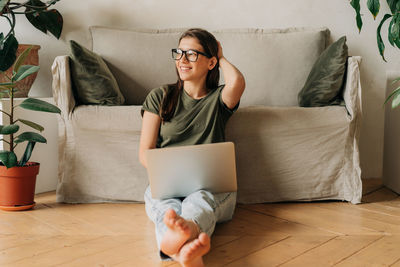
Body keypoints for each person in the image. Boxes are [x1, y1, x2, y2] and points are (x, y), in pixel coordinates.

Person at [139, 28, 245, 267]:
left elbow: (237, 81)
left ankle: (181, 237)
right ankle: (187, 252)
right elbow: (146, 151)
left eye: (192, 54)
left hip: (210, 188)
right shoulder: (160, 96)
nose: (182, 60)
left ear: (211, 63)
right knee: (168, 210)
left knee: (200, 201)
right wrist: (166, 175)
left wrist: (221, 55)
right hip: (167, 185)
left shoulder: (219, 99)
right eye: (179, 53)